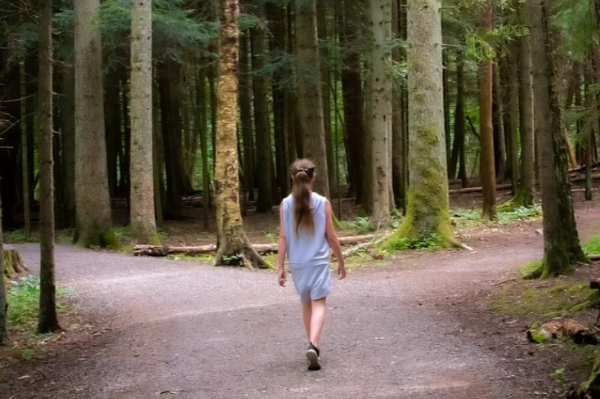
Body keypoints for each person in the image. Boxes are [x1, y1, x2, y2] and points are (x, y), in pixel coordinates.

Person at [277, 158, 346, 371]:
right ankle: (314, 345)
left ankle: (312, 346)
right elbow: (331, 237)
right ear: (313, 177)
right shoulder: (322, 202)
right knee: (319, 304)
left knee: (306, 304)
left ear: (292, 178)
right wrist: (341, 261)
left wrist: (280, 267)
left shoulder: (285, 204)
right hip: (318, 263)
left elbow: (282, 237)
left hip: (297, 264)